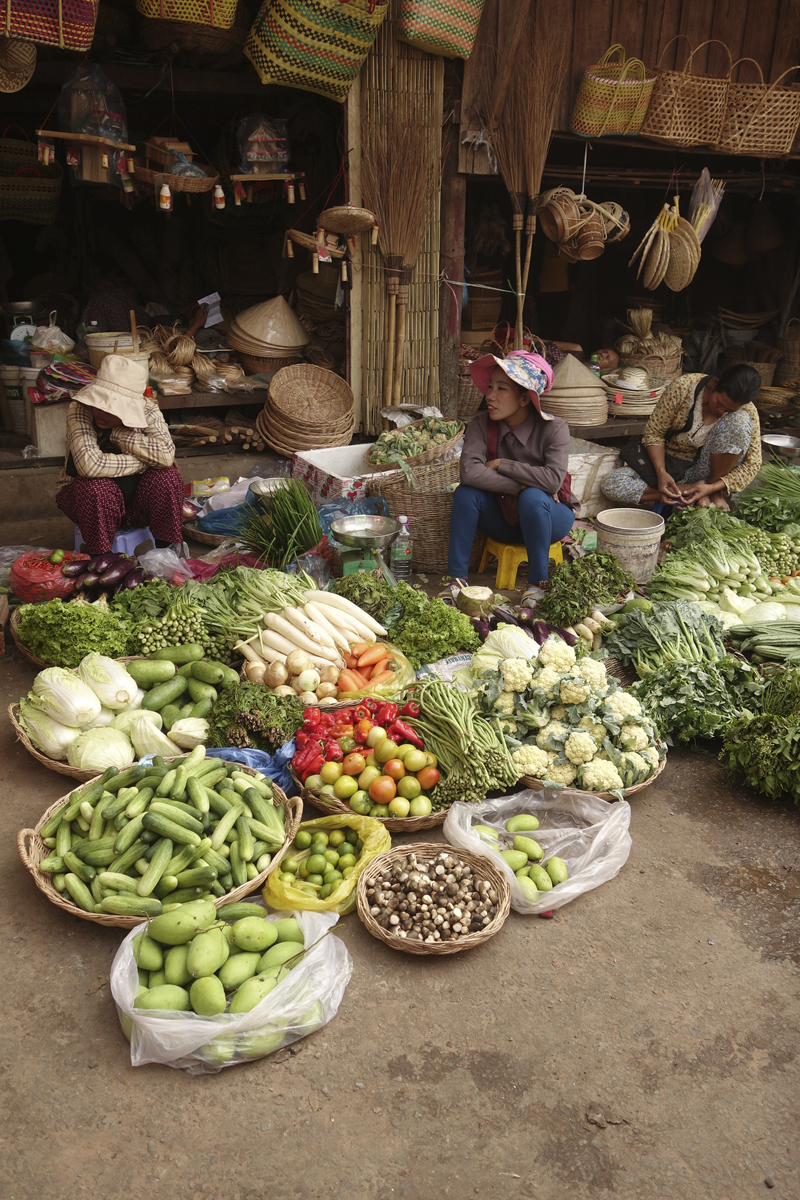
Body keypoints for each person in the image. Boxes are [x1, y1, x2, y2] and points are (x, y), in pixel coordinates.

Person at [447, 350, 576, 591]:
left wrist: (502, 464)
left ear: (525, 398)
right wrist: (519, 485)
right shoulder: (480, 424)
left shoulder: (555, 429)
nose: (490, 396)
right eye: (490, 387)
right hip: (502, 520)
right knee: (466, 492)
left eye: (501, 389)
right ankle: (456, 582)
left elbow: (552, 482)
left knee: (534, 497)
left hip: (549, 520)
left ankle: (537, 585)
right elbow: (470, 472)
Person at [56, 354, 184, 555]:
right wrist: (146, 462)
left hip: (137, 502)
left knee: (167, 477)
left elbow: (166, 456)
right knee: (94, 487)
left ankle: (166, 553)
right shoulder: (80, 409)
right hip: (89, 503)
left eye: (111, 409)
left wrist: (117, 435)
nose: (101, 411)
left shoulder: (148, 409)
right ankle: (102, 560)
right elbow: (90, 466)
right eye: (99, 403)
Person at [601, 364, 762, 510]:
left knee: (739, 421)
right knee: (612, 485)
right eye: (719, 403)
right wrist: (661, 472)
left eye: (729, 409)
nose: (721, 411)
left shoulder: (746, 411)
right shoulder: (684, 387)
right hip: (670, 465)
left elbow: (753, 463)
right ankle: (685, 492)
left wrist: (713, 487)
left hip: (706, 471)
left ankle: (710, 492)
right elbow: (654, 433)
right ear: (714, 383)